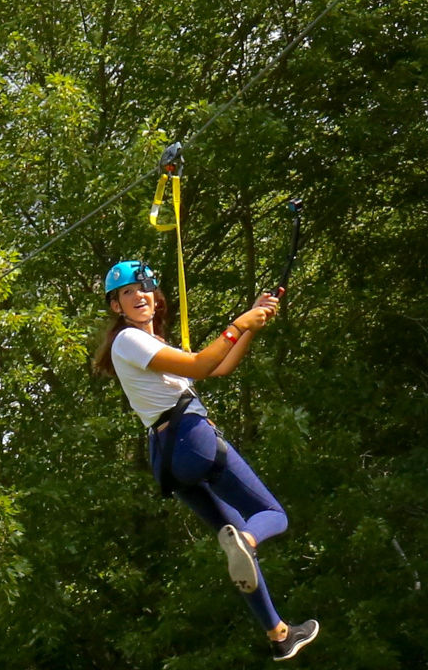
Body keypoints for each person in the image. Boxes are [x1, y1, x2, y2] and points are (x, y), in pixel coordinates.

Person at [94, 260, 321, 660]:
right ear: (116, 307)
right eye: (127, 293)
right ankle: (248, 540)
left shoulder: (153, 346)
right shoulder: (129, 341)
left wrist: (250, 325)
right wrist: (239, 321)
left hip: (167, 458)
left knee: (234, 545)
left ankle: (279, 634)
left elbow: (219, 365)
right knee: (272, 516)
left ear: (155, 295)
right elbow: (201, 363)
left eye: (143, 288)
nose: (138, 296)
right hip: (191, 441)